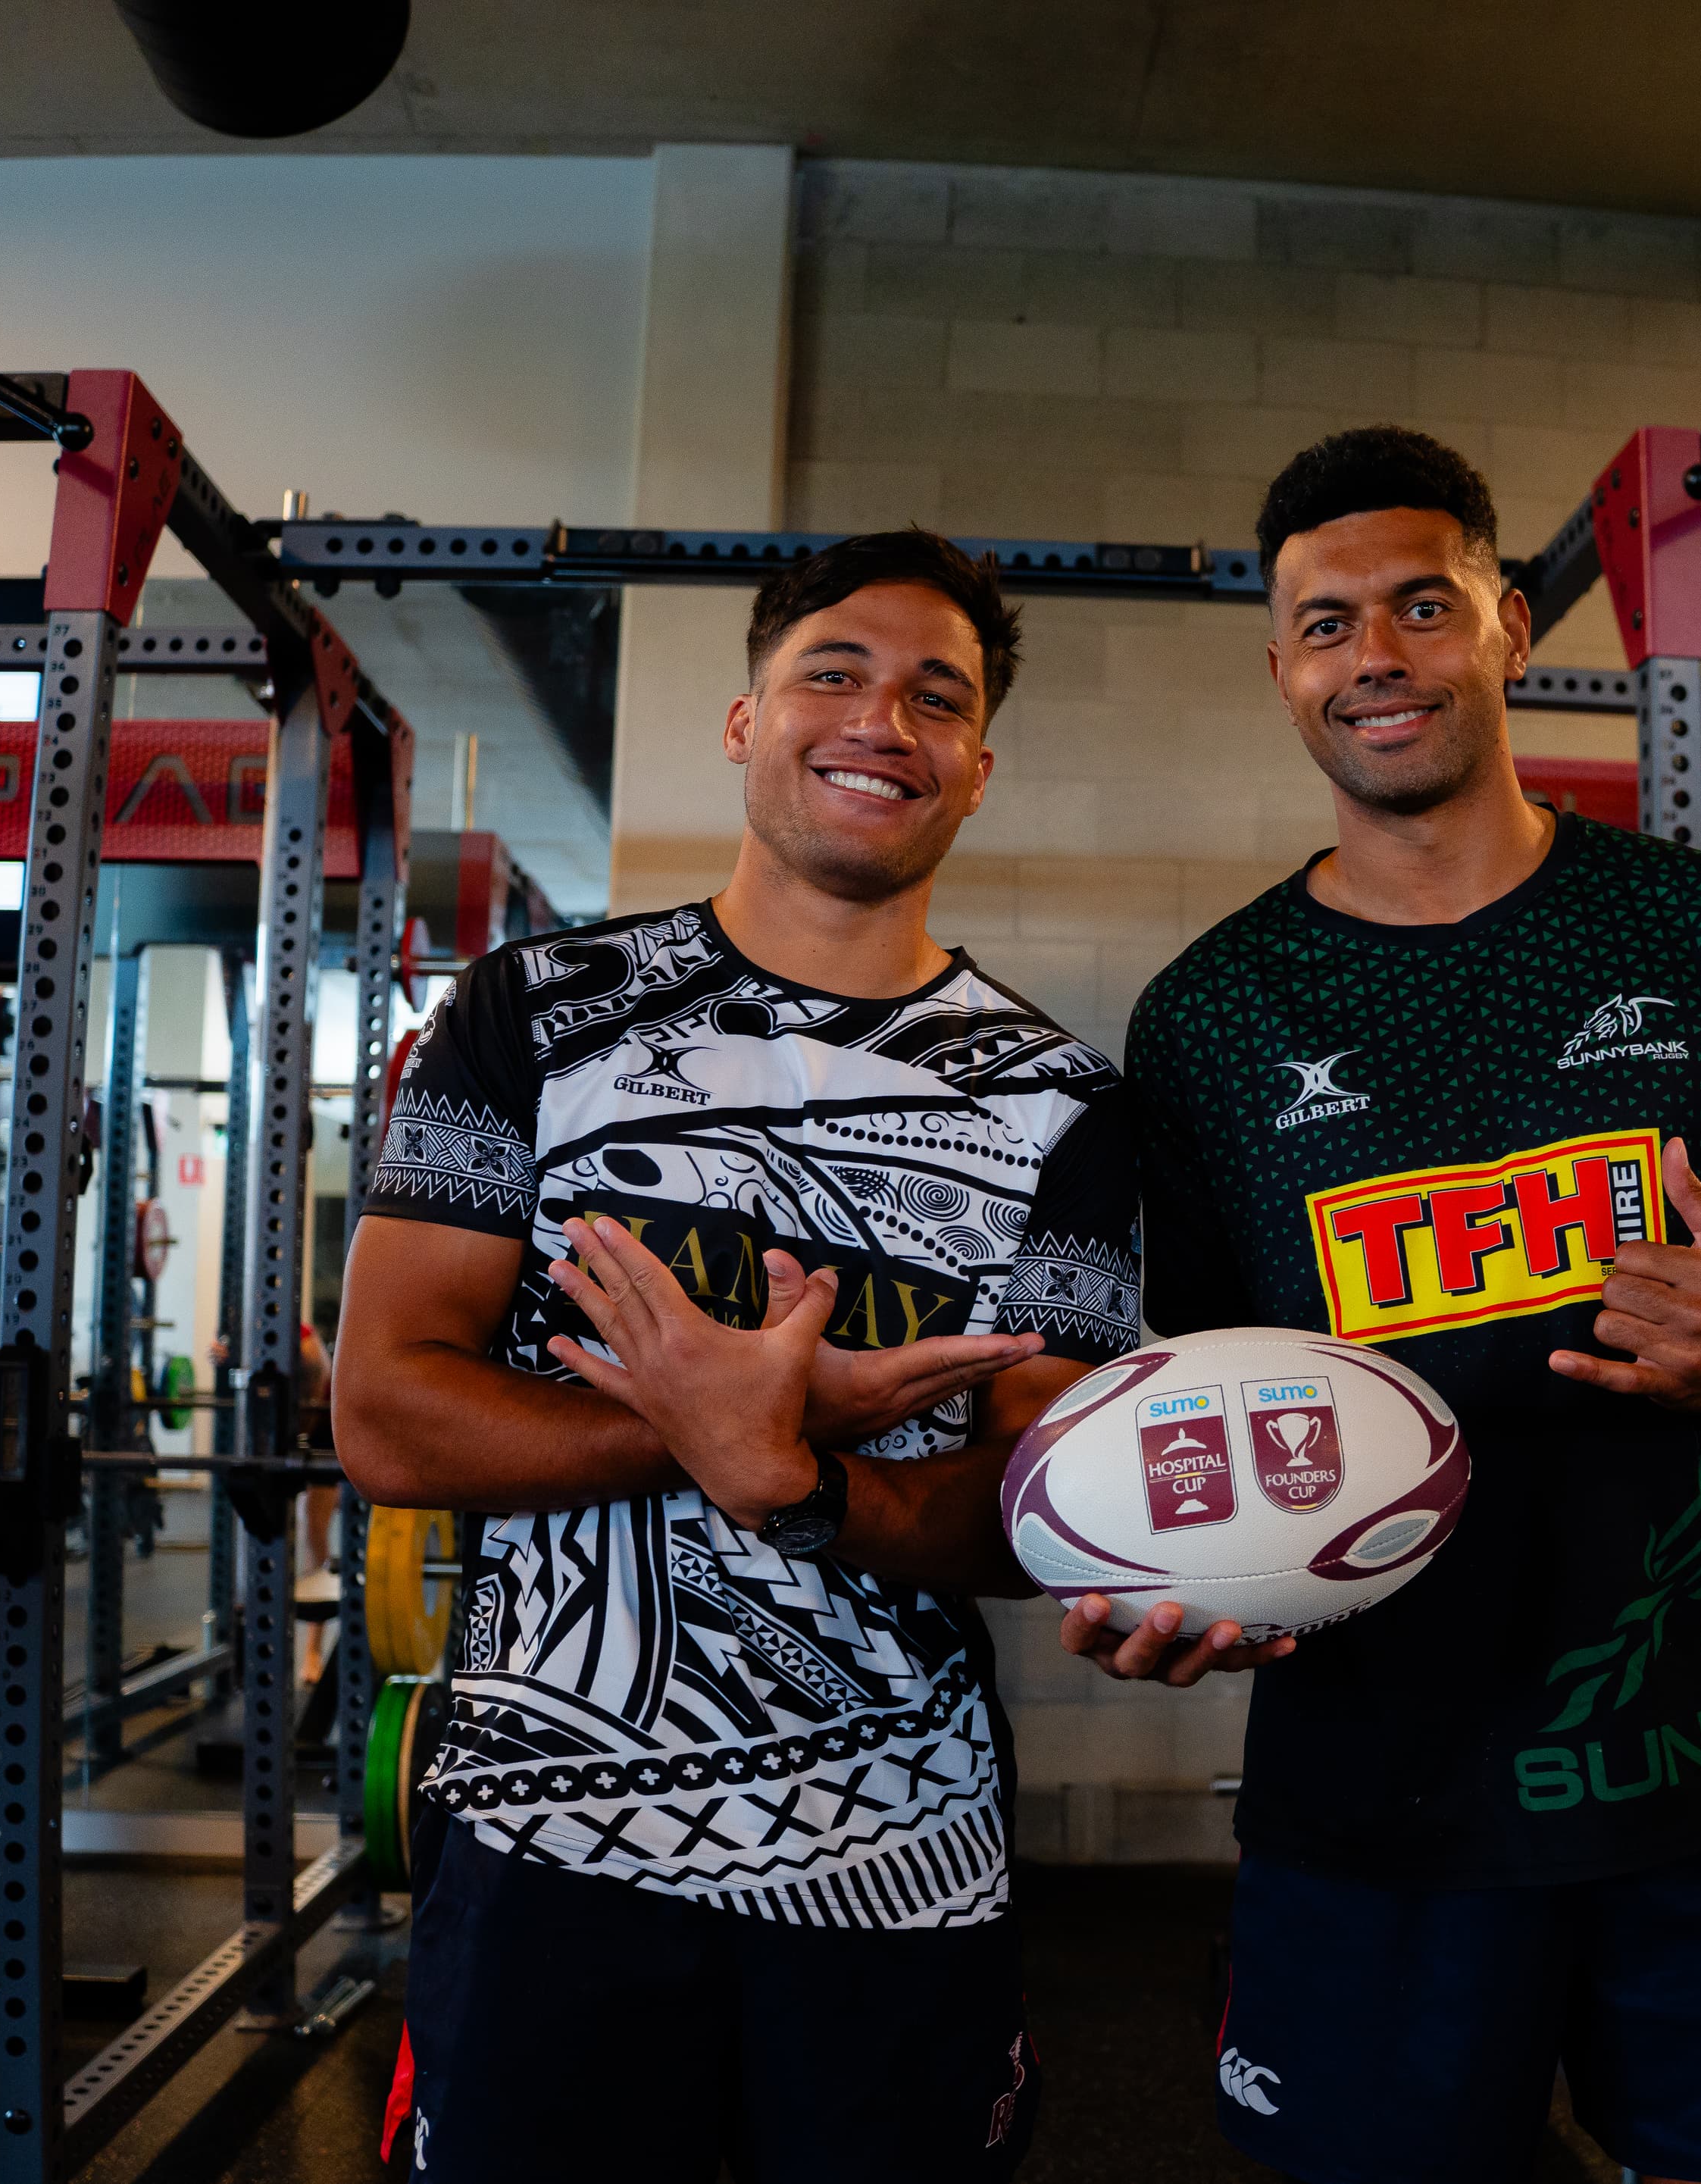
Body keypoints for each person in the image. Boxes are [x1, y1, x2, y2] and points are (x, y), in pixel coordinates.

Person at [1070, 427, 1701, 2184]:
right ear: (1282, 668)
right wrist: (1178, 1582)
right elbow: (1205, 1410)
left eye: (1422, 606)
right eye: (1326, 625)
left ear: (1511, 626)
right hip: (1378, 1796)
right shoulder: (1209, 1017)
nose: (1375, 657)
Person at [333, 528, 1139, 2183]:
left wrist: (804, 1484)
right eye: (832, 673)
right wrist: (721, 1427)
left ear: (979, 769)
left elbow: (1044, 1510)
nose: (882, 720)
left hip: (895, 1863)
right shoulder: (531, 1012)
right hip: (553, 1845)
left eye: (938, 696)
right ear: (743, 720)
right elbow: (390, 1416)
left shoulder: (1068, 1105)